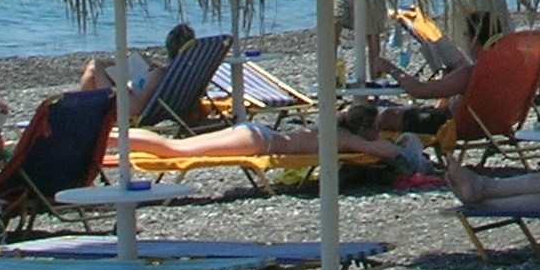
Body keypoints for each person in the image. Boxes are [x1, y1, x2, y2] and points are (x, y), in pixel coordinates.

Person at [123, 100, 430, 174]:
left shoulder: (337, 132)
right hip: (258, 142)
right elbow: (389, 153)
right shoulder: (344, 138)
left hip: (257, 135)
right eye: (375, 127)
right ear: (365, 128)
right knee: (172, 148)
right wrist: (398, 143)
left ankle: (114, 136)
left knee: (172, 147)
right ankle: (113, 137)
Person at [79, 22, 197, 116]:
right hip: (158, 105)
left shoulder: (160, 74)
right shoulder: (190, 73)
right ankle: (87, 109)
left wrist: (124, 88)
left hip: (128, 107)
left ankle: (84, 111)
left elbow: (137, 106)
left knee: (95, 66)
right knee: (107, 64)